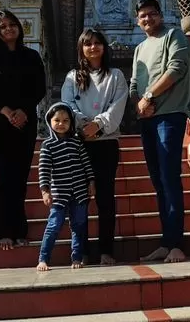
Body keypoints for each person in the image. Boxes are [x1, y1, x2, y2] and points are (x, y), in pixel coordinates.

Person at [0, 10, 46, 250]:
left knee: (20, 176)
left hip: (25, 122)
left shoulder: (31, 56)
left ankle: (19, 230)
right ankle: (2, 232)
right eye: (3, 27)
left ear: (19, 27)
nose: (8, 29)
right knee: (3, 175)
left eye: (12, 25)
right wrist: (7, 111)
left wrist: (24, 111)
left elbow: (39, 88)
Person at [130, 0, 190, 263]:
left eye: (152, 14)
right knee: (157, 181)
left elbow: (176, 69)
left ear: (160, 15)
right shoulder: (140, 48)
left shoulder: (173, 35)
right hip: (148, 118)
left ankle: (177, 244)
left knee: (169, 177)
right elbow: (134, 83)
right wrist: (139, 105)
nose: (147, 19)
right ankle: (165, 242)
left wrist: (149, 97)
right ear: (137, 20)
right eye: (143, 16)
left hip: (169, 116)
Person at [60, 28, 129, 265]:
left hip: (106, 142)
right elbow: (67, 105)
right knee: (80, 199)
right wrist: (83, 127)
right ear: (81, 48)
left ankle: (106, 250)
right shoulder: (72, 77)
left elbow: (117, 106)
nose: (93, 47)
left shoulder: (116, 75)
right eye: (88, 44)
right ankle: (81, 250)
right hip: (80, 143)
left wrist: (98, 126)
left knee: (105, 198)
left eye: (98, 43)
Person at [36, 103, 95, 271]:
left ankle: (77, 257)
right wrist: (45, 191)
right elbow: (44, 170)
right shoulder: (48, 145)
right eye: (57, 120)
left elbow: (86, 164)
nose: (61, 124)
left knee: (78, 226)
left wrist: (91, 182)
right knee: (54, 226)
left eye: (65, 120)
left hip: (80, 193)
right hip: (59, 194)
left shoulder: (76, 142)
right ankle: (43, 258)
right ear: (49, 121)